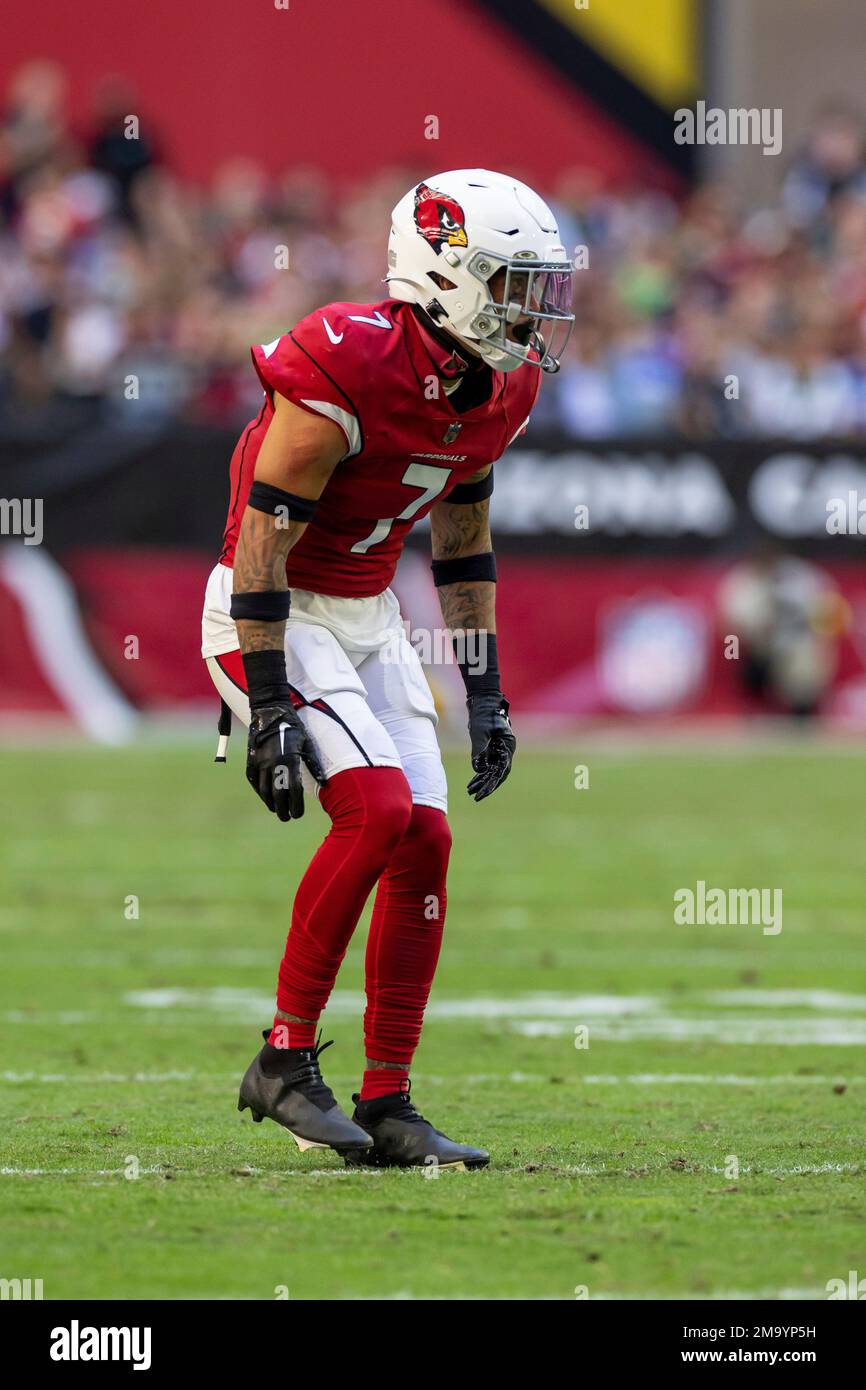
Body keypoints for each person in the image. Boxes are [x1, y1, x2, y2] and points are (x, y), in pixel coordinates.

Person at [201, 169, 574, 1167]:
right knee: (374, 809)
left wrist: (484, 687)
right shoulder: (344, 365)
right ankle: (281, 1058)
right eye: (513, 282)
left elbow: (463, 540)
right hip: (274, 609)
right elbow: (259, 551)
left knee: (427, 840)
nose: (533, 310)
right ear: (447, 276)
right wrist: (269, 704)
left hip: (367, 615)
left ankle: (388, 1100)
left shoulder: (502, 383)